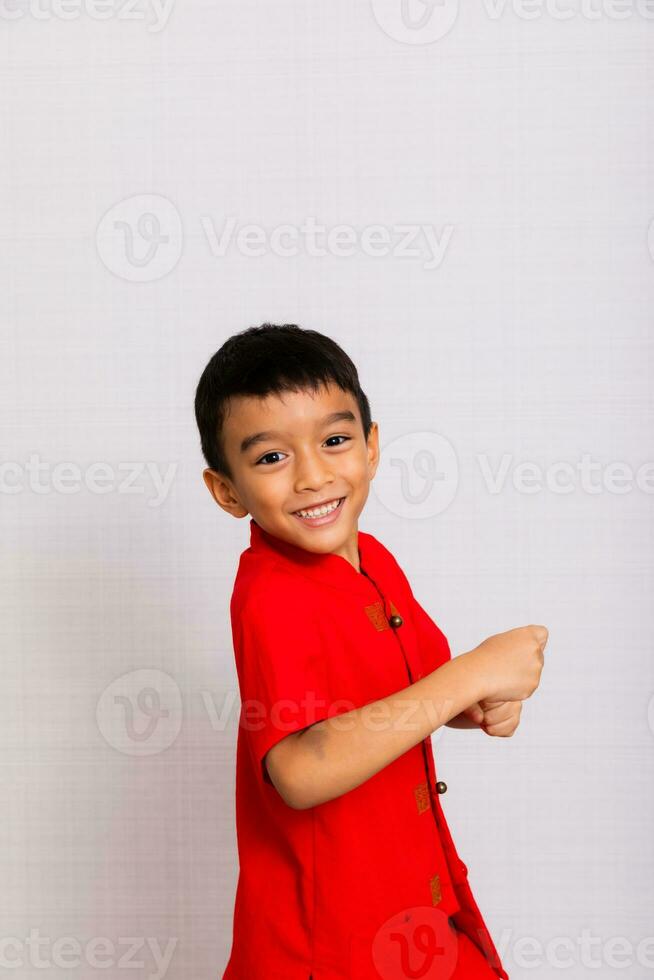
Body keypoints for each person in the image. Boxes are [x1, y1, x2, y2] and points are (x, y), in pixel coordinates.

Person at [194, 322, 548, 979]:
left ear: (372, 445)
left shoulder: (375, 560)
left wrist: (479, 700)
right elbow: (298, 773)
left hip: (416, 912)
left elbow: (419, 689)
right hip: (329, 946)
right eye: (271, 457)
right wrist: (473, 673)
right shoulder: (271, 596)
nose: (313, 475)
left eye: (334, 441)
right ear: (227, 490)